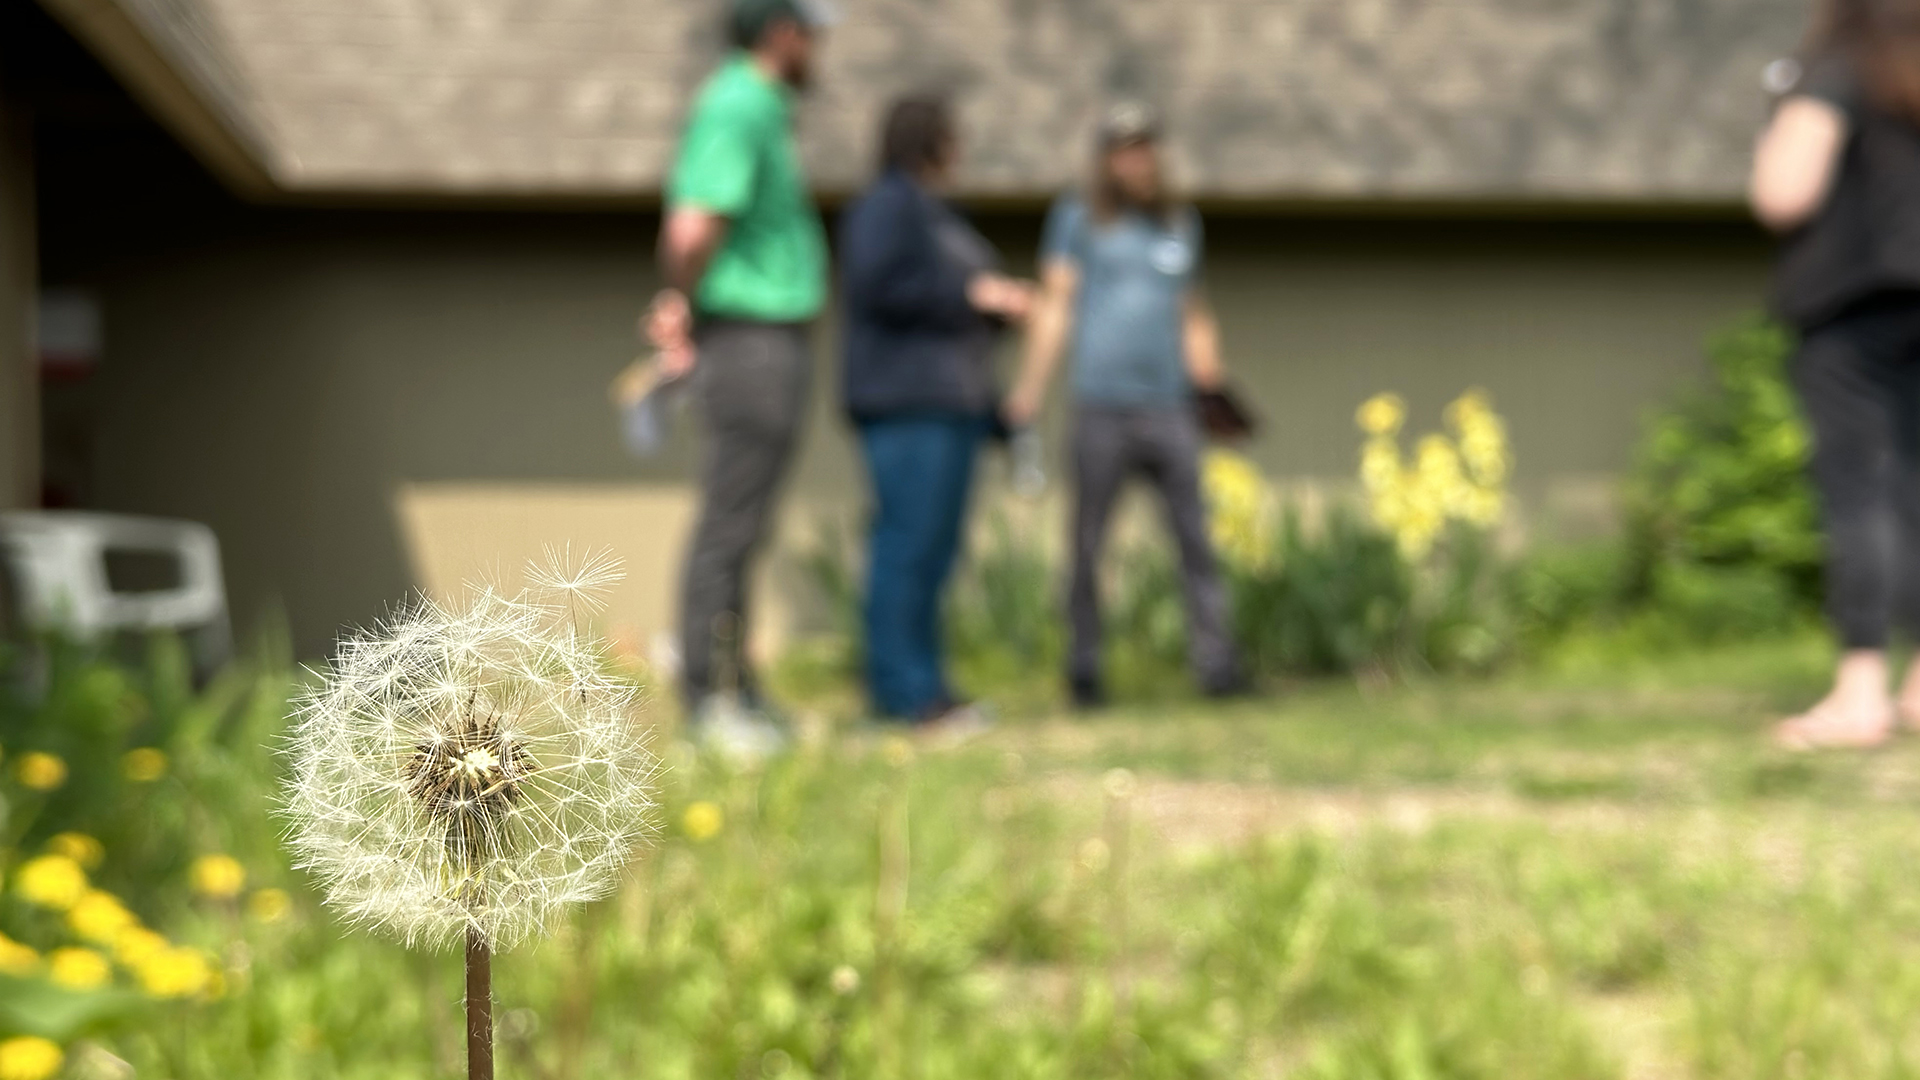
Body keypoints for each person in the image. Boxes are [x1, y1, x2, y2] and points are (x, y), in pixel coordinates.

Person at [1004, 104, 1245, 708]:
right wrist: (1030, 387)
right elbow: (1056, 306)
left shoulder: (1177, 224)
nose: (1137, 161)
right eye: (1124, 150)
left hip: (1169, 408)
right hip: (1102, 408)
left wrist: (1211, 386)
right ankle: (1083, 671)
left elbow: (1193, 314)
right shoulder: (1078, 220)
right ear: (1107, 159)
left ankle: (1217, 666)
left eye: (1145, 148)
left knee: (1195, 539)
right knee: (1086, 543)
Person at [645, 0, 835, 755]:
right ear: (782, 33)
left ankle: (737, 692)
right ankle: (710, 701)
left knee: (745, 523)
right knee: (730, 523)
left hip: (763, 341)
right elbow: (692, 226)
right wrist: (680, 300)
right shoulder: (740, 103)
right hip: (751, 342)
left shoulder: (758, 105)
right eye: (812, 31)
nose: (817, 47)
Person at [1755, 0, 1920, 749]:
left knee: (1861, 490)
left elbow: (1784, 191)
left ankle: (1861, 696)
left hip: (1853, 306)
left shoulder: (1839, 66)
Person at [838, 95, 1034, 727]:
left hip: (954, 406)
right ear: (932, 141)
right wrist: (971, 292)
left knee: (937, 551)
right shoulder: (887, 206)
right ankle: (901, 694)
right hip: (906, 405)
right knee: (907, 545)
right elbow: (878, 285)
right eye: (955, 137)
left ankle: (930, 688)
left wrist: (995, 311)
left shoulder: (940, 215)